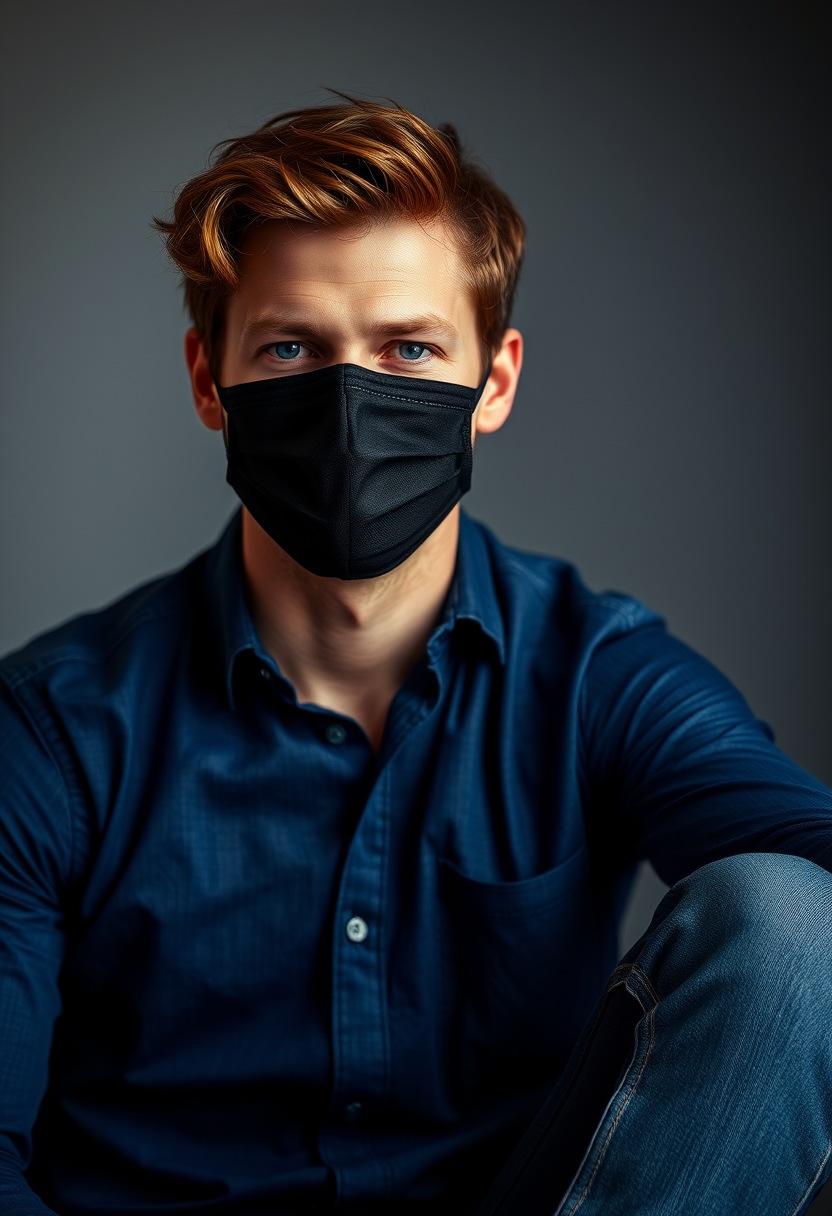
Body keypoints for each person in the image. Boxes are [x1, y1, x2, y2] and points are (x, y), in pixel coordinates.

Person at [0, 96, 830, 1216]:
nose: (350, 402)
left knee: (794, 924)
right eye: (291, 347)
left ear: (493, 381)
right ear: (211, 381)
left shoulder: (597, 677)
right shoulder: (53, 731)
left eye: (409, 349)